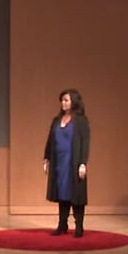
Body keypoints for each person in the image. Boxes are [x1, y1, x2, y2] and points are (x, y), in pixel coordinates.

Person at [43, 88, 90, 237]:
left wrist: (83, 163)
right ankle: (62, 225)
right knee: (62, 194)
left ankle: (79, 227)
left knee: (76, 195)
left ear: (74, 102)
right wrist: (47, 158)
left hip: (73, 162)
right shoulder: (56, 120)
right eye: (62, 100)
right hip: (59, 163)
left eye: (66, 100)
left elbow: (85, 142)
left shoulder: (81, 121)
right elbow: (50, 140)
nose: (63, 103)